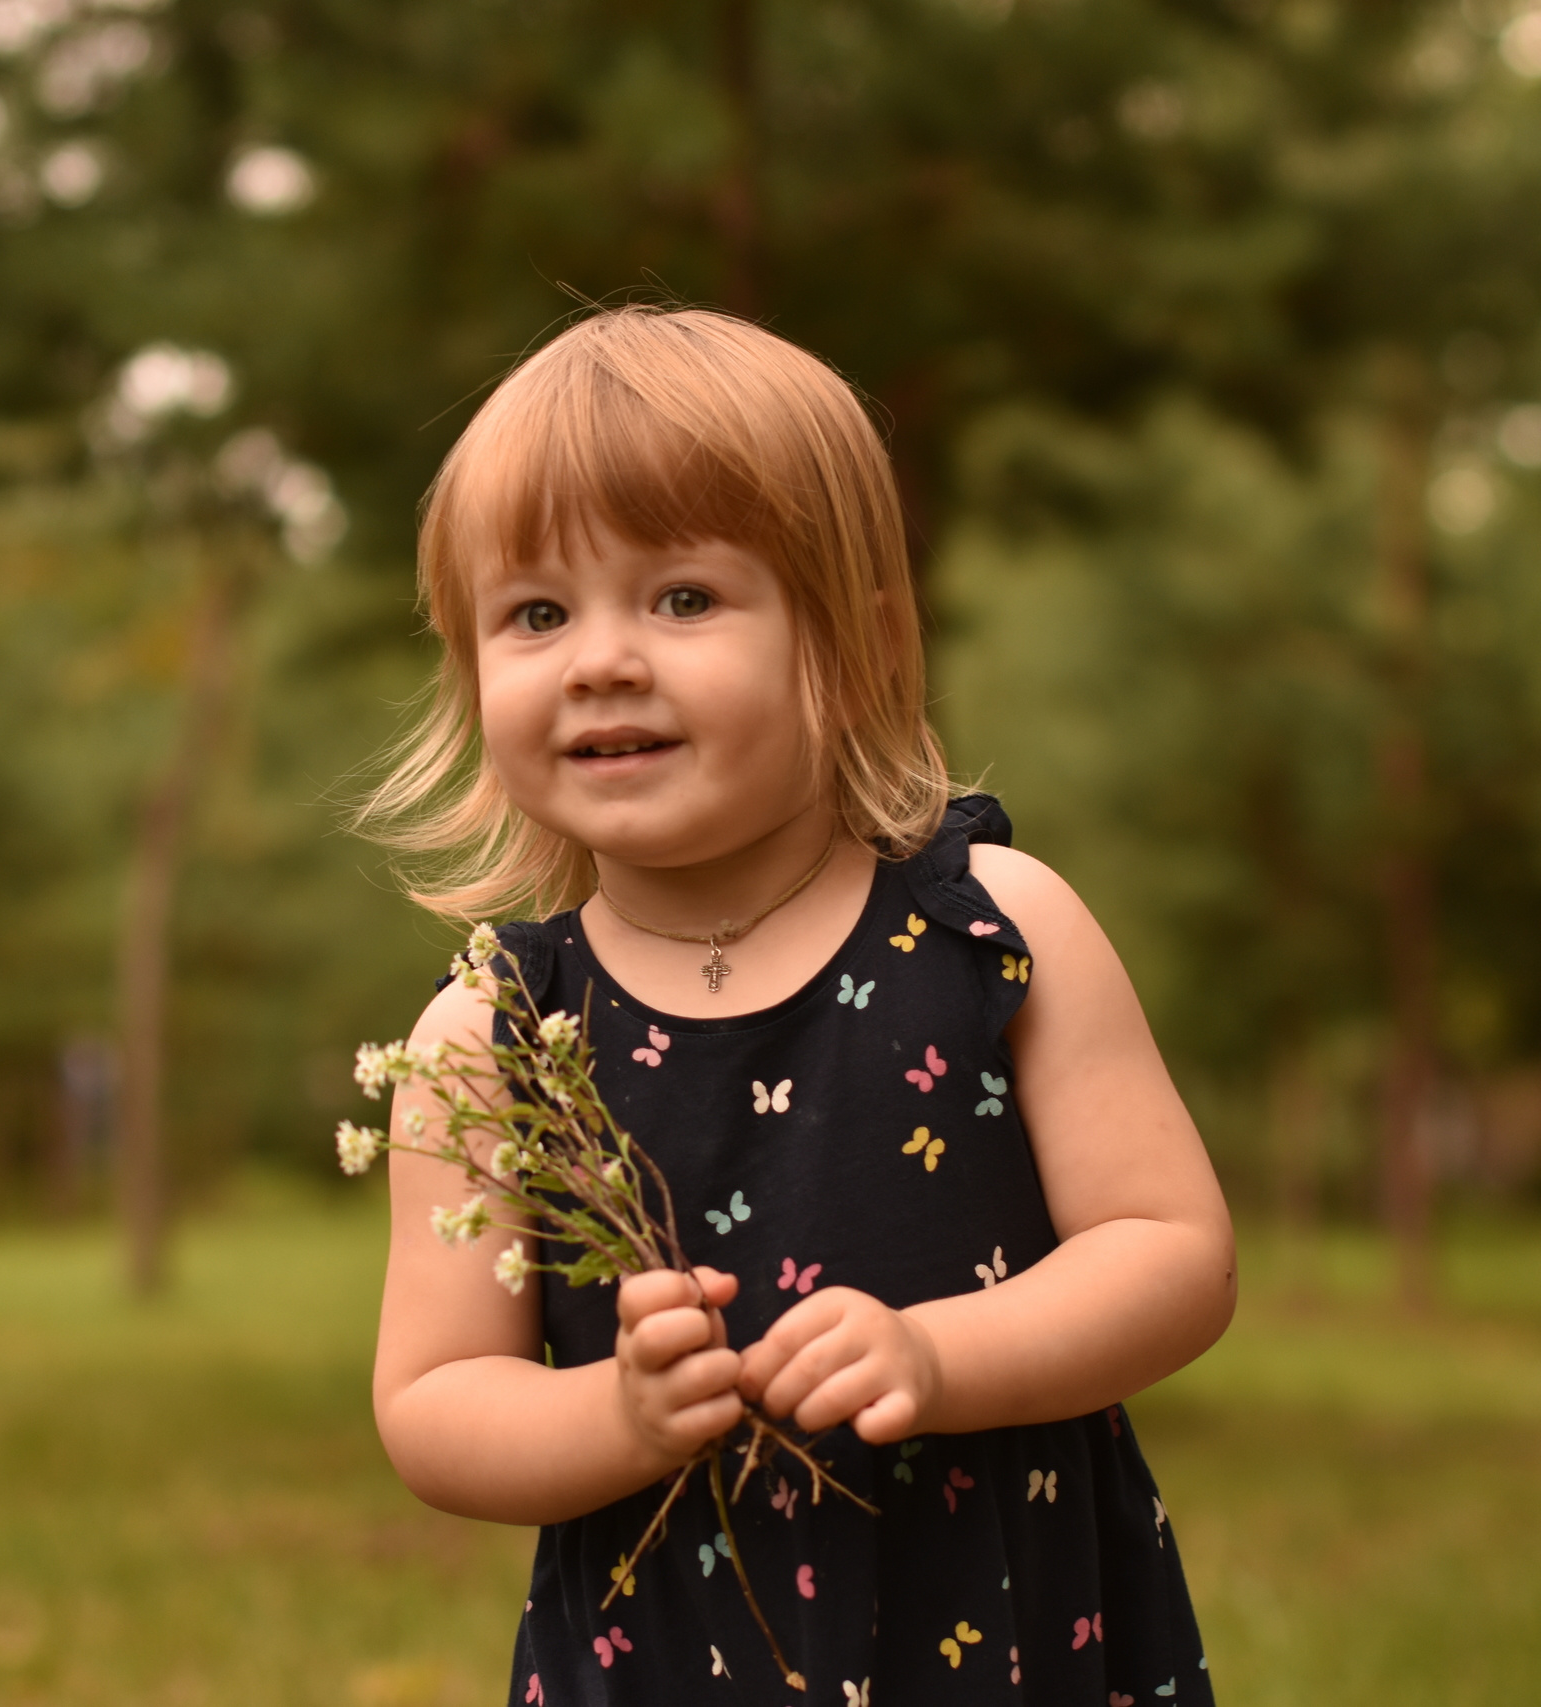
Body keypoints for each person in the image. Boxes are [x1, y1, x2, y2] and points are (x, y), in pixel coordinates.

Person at [359, 305, 1235, 1705]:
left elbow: (1174, 1256)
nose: (599, 660)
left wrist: (938, 1355)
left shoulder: (991, 931)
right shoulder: (492, 1037)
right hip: (668, 1653)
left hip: (994, 1634)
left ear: (856, 643)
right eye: (536, 614)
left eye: (683, 598)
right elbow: (433, 1402)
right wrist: (621, 1415)